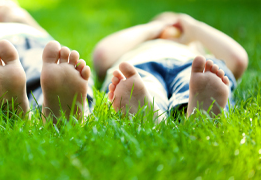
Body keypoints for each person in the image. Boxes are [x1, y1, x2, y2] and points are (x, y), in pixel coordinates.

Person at [92, 12, 248, 119]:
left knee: (199, 81)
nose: (171, 27)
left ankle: (199, 111)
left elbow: (237, 60)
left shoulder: (196, 50)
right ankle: (149, 113)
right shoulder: (138, 46)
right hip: (139, 66)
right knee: (140, 86)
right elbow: (102, 56)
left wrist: (193, 27)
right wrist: (152, 28)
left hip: (191, 67)